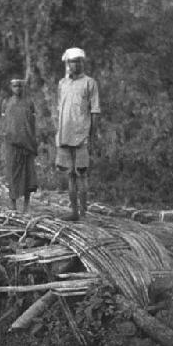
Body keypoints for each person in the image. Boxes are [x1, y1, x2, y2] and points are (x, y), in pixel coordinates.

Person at [55, 47, 100, 221]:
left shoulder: (90, 83)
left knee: (82, 174)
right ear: (68, 64)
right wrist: (58, 135)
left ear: (83, 63)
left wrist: (92, 136)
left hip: (81, 137)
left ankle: (83, 213)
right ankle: (73, 212)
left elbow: (95, 111)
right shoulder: (62, 84)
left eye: (79, 61)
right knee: (70, 175)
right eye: (73, 62)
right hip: (65, 136)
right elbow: (60, 110)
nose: (76, 65)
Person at [1, 78, 38, 213]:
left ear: (23, 87)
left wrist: (33, 142)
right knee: (12, 173)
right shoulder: (6, 103)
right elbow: (4, 124)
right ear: (11, 87)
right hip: (12, 145)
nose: (18, 88)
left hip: (26, 144)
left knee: (28, 174)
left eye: (20, 86)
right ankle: (13, 205)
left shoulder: (29, 103)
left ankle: (26, 205)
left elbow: (32, 124)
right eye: (15, 86)